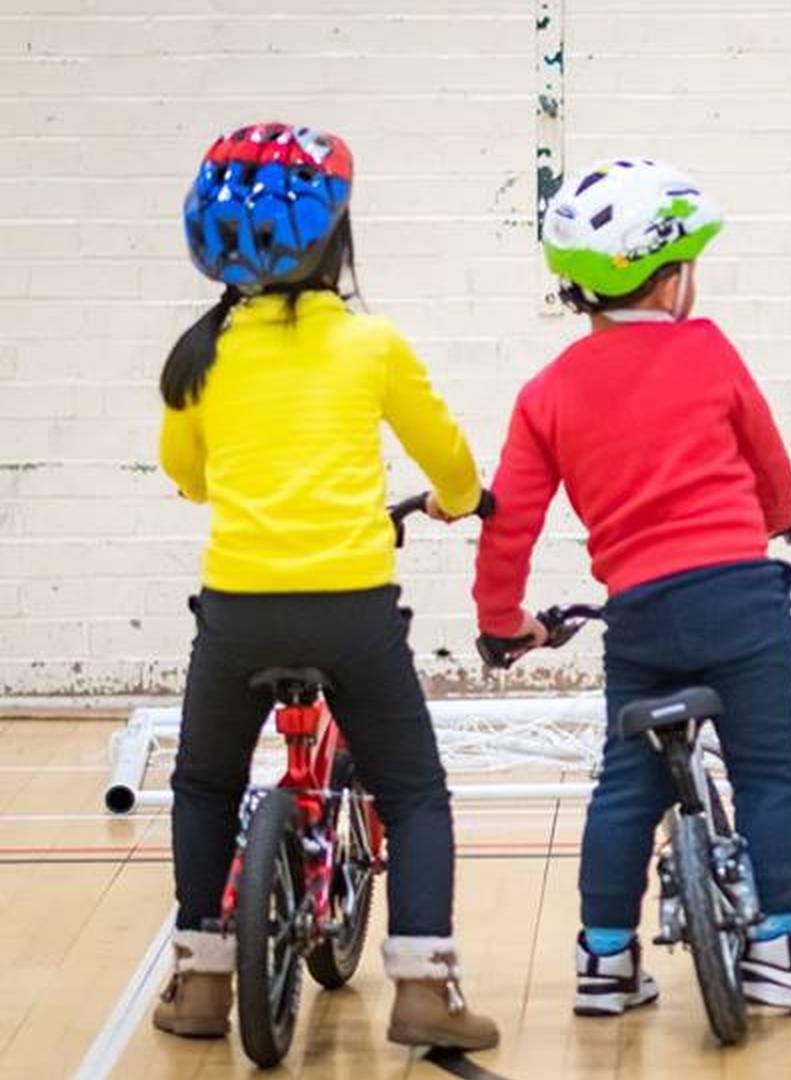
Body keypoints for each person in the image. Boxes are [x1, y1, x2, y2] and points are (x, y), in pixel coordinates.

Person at [472, 157, 791, 1016]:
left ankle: (604, 961)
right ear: (673, 277)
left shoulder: (546, 394)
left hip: (639, 616)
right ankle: (776, 950)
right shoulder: (707, 347)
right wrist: (778, 515)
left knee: (626, 784)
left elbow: (511, 523)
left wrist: (504, 622)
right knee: (765, 772)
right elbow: (766, 457)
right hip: (740, 599)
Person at [155, 123, 496, 1049]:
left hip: (237, 613)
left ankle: (199, 982)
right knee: (415, 792)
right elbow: (449, 461)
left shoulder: (199, 357)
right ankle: (425, 987)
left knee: (203, 784)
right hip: (351, 609)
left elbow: (187, 475)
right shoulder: (370, 343)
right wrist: (460, 501)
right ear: (335, 239)